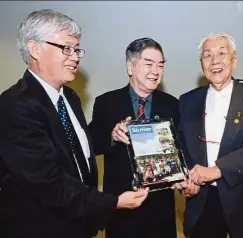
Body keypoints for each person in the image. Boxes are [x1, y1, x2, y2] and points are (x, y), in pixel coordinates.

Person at [0, 9, 148, 238]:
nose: (76, 56)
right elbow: (48, 182)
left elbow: (75, 155)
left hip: (78, 223)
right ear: (35, 49)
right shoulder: (15, 106)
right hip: (40, 227)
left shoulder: (69, 97)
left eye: (77, 49)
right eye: (66, 48)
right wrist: (113, 202)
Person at [175, 32, 243, 238]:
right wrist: (187, 179)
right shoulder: (187, 101)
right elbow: (181, 148)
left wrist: (217, 170)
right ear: (201, 64)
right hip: (203, 200)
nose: (215, 61)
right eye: (207, 55)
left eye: (222, 53)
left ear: (234, 59)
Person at [88, 37, 179, 238]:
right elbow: (91, 144)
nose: (156, 71)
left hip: (161, 209)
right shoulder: (106, 102)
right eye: (148, 64)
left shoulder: (172, 104)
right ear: (131, 66)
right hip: (122, 205)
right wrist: (112, 135)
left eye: (160, 65)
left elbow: (182, 150)